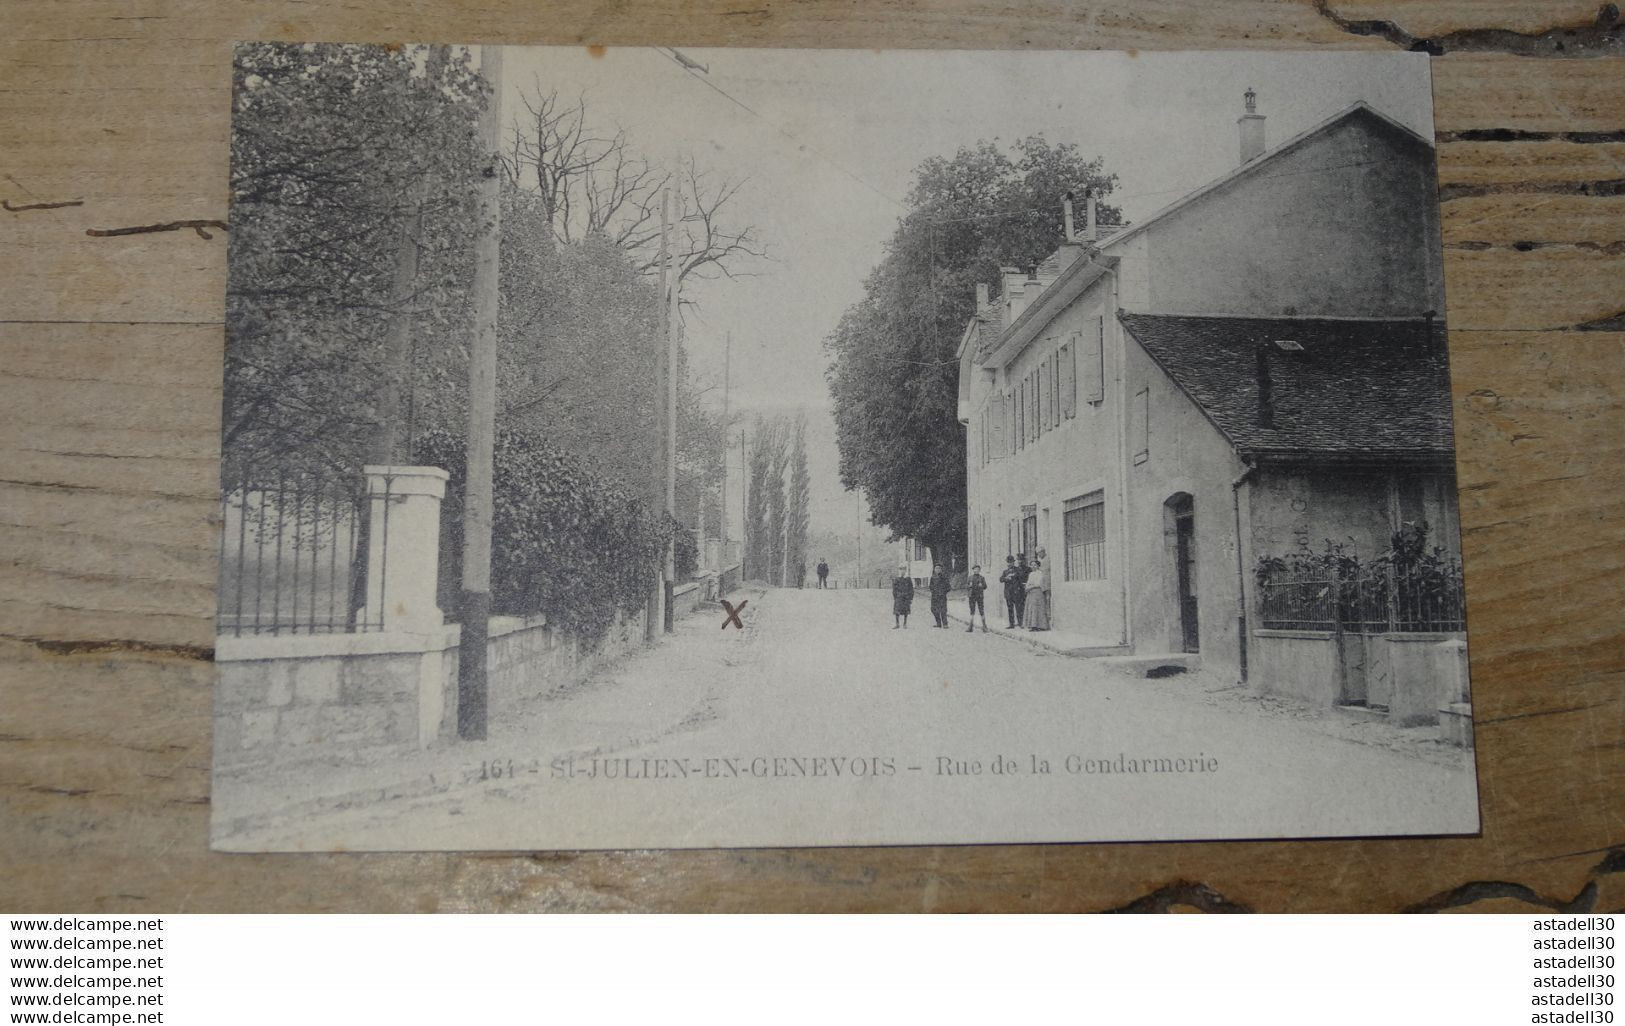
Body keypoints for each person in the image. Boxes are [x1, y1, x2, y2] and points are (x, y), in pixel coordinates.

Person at [999, 554, 1030, 629]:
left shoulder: (1017, 570)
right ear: (1007, 563)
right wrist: (1007, 578)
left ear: (1013, 562)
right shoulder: (1005, 571)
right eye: (1008, 562)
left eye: (1011, 562)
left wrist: (1013, 575)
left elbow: (1021, 577)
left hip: (1016, 592)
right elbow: (1001, 579)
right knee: (1010, 609)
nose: (1010, 564)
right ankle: (1011, 624)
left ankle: (1020, 623)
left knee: (1018, 608)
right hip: (1008, 593)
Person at [1025, 558, 1050, 631]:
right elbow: (1028, 583)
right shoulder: (1031, 574)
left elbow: (1038, 584)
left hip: (1038, 593)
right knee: (1031, 609)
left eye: (1035, 565)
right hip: (1031, 593)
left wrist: (1030, 586)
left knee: (1038, 609)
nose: (1033, 567)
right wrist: (1029, 586)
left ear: (1038, 566)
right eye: (1032, 565)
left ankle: (1040, 626)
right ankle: (1033, 626)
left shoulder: (1040, 573)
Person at [966, 565, 989, 632]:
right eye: (975, 569)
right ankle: (970, 626)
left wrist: (982, 585)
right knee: (972, 611)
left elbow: (985, 586)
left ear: (979, 570)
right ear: (973, 570)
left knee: (981, 610)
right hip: (972, 596)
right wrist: (969, 586)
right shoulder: (970, 578)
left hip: (979, 596)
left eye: (978, 569)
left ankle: (984, 626)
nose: (976, 570)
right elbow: (966, 586)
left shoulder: (982, 578)